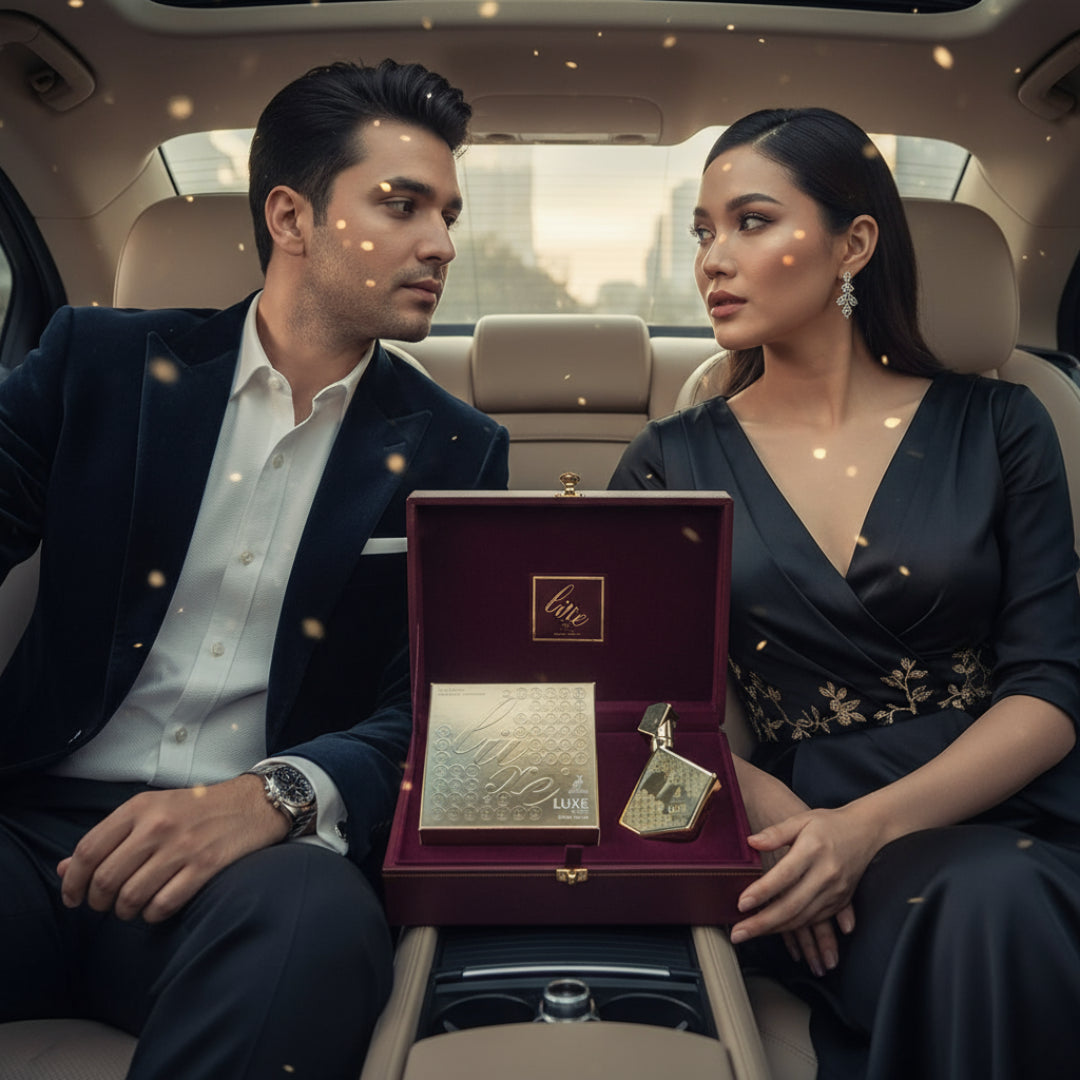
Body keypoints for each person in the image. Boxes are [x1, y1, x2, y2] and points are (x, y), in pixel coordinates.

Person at [0, 59, 508, 1079]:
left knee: (317, 924)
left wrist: (277, 795)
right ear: (291, 216)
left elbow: (443, 711)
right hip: (28, 824)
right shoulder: (96, 364)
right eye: (402, 205)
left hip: (258, 860)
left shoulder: (458, 448)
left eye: (448, 213)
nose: (442, 243)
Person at [610, 106, 1080, 1079]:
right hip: (800, 830)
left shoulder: (1003, 425)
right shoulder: (671, 462)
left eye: (751, 222)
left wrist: (863, 831)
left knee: (999, 890)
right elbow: (637, 712)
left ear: (853, 243)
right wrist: (780, 821)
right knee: (981, 903)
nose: (712, 259)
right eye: (703, 231)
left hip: (1020, 802)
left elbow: (1050, 687)